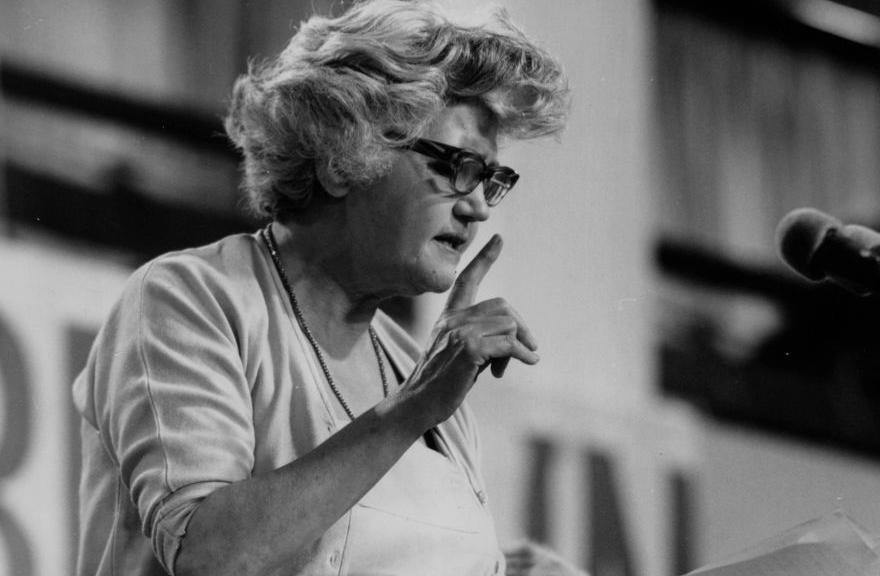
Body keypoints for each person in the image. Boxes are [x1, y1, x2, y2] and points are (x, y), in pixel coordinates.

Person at [73, 0, 577, 575]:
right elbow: (209, 557)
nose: (480, 206)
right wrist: (413, 408)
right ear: (341, 156)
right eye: (457, 165)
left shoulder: (422, 368)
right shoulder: (190, 297)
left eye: (491, 178)